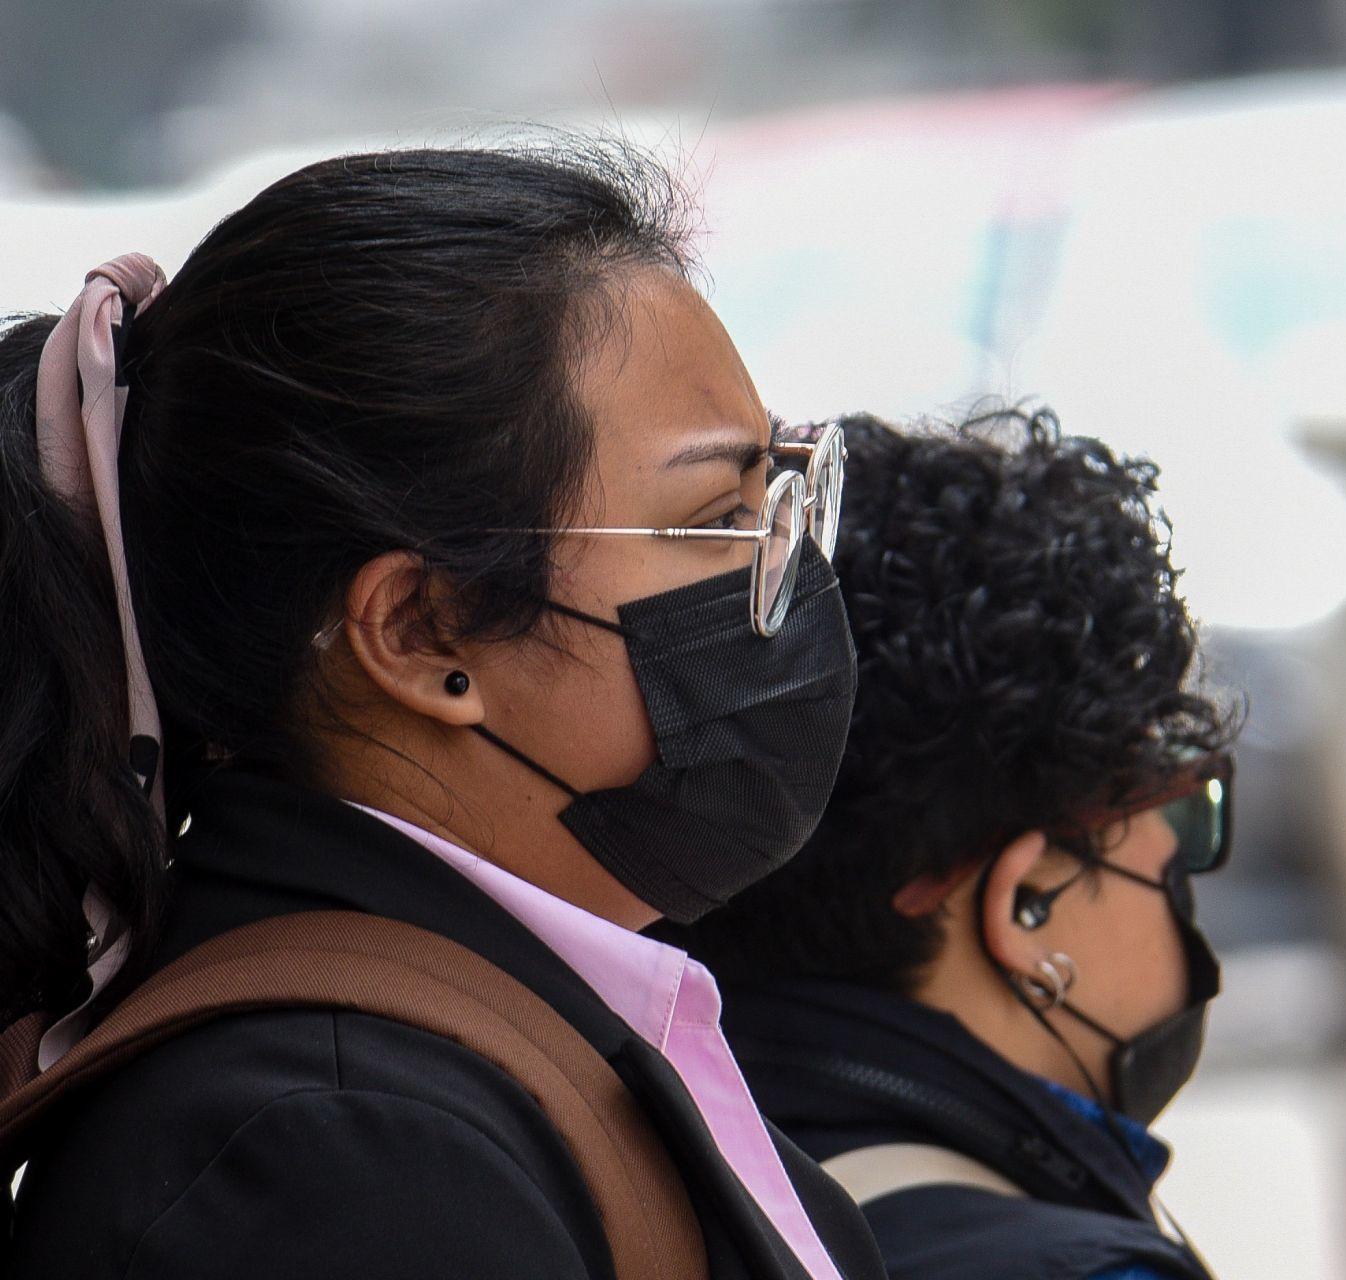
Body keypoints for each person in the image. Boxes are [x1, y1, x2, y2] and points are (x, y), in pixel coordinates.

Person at [0, 144, 885, 1280]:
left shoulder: (469, 1046)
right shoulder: (332, 1153)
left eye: (785, 494)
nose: (788, 575)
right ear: (420, 632)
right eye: (716, 519)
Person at [670, 408, 1241, 1280]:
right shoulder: (1086, 1274)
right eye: (1186, 817)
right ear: (1024, 901)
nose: (1186, 867)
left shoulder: (637, 1185)